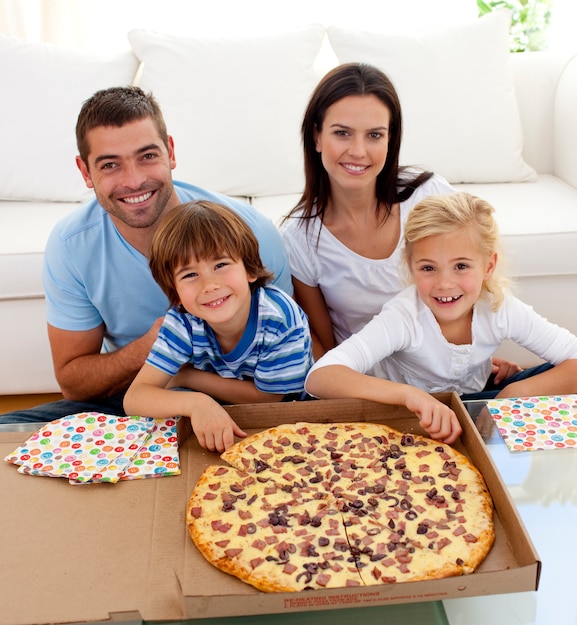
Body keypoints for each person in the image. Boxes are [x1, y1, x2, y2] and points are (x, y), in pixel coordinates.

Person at [0, 86, 292, 424]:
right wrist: (153, 345)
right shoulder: (72, 245)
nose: (134, 180)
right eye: (110, 165)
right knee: (9, 432)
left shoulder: (250, 231)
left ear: (170, 152)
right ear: (85, 172)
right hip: (136, 396)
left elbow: (283, 354)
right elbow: (74, 384)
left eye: (147, 156)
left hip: (237, 397)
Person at [280, 62, 519, 383]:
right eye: (342, 133)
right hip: (375, 389)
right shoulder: (300, 237)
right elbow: (324, 346)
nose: (359, 151)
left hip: (452, 380)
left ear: (391, 140)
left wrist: (471, 357)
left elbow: (476, 283)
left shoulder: (428, 195)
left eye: (375, 135)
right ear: (317, 137)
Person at [305, 192, 577, 444]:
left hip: (472, 401)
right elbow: (320, 377)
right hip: (409, 416)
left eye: (461, 266)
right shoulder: (404, 315)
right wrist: (410, 396)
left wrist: (512, 395)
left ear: (488, 266)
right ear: (411, 267)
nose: (445, 284)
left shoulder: (499, 307)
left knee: (541, 380)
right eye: (428, 268)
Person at [123, 201, 313, 452]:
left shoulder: (280, 320)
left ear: (249, 268)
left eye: (220, 265)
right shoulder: (182, 321)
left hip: (288, 418)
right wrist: (196, 403)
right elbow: (134, 399)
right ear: (175, 292)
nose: (209, 285)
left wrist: (187, 376)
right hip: (213, 412)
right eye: (190, 275)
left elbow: (268, 398)